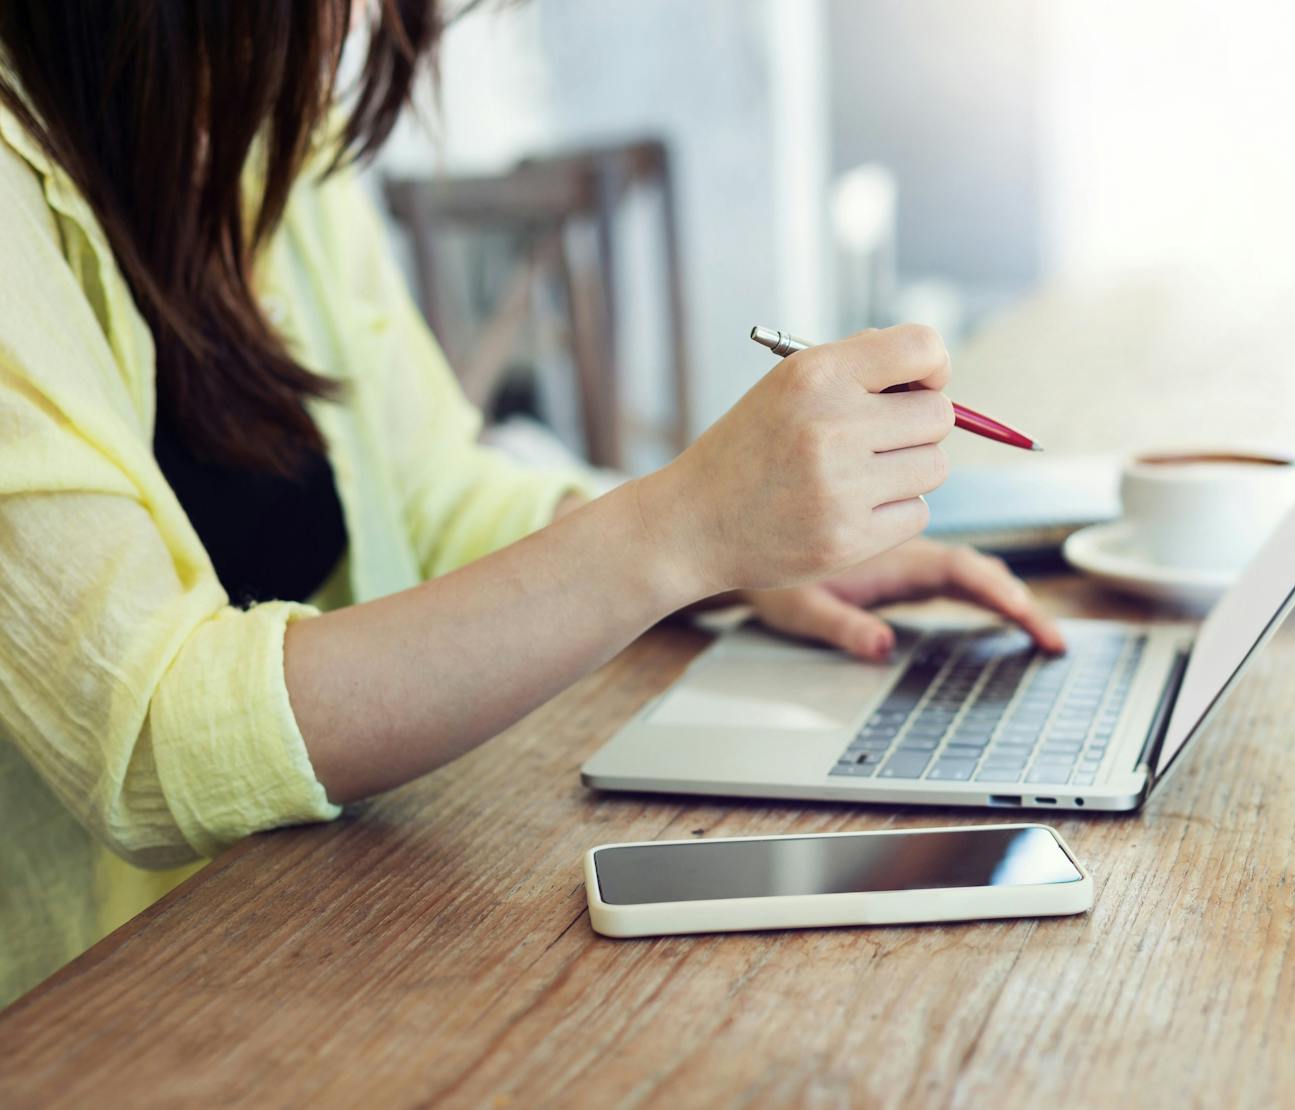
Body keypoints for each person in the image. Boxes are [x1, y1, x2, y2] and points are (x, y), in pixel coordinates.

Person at [0, 2, 1063, 1007]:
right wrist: (679, 531)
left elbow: (434, 493)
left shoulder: (257, 122)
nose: (363, 22)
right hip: (99, 1017)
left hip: (333, 910)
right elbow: (150, 741)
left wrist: (731, 554)